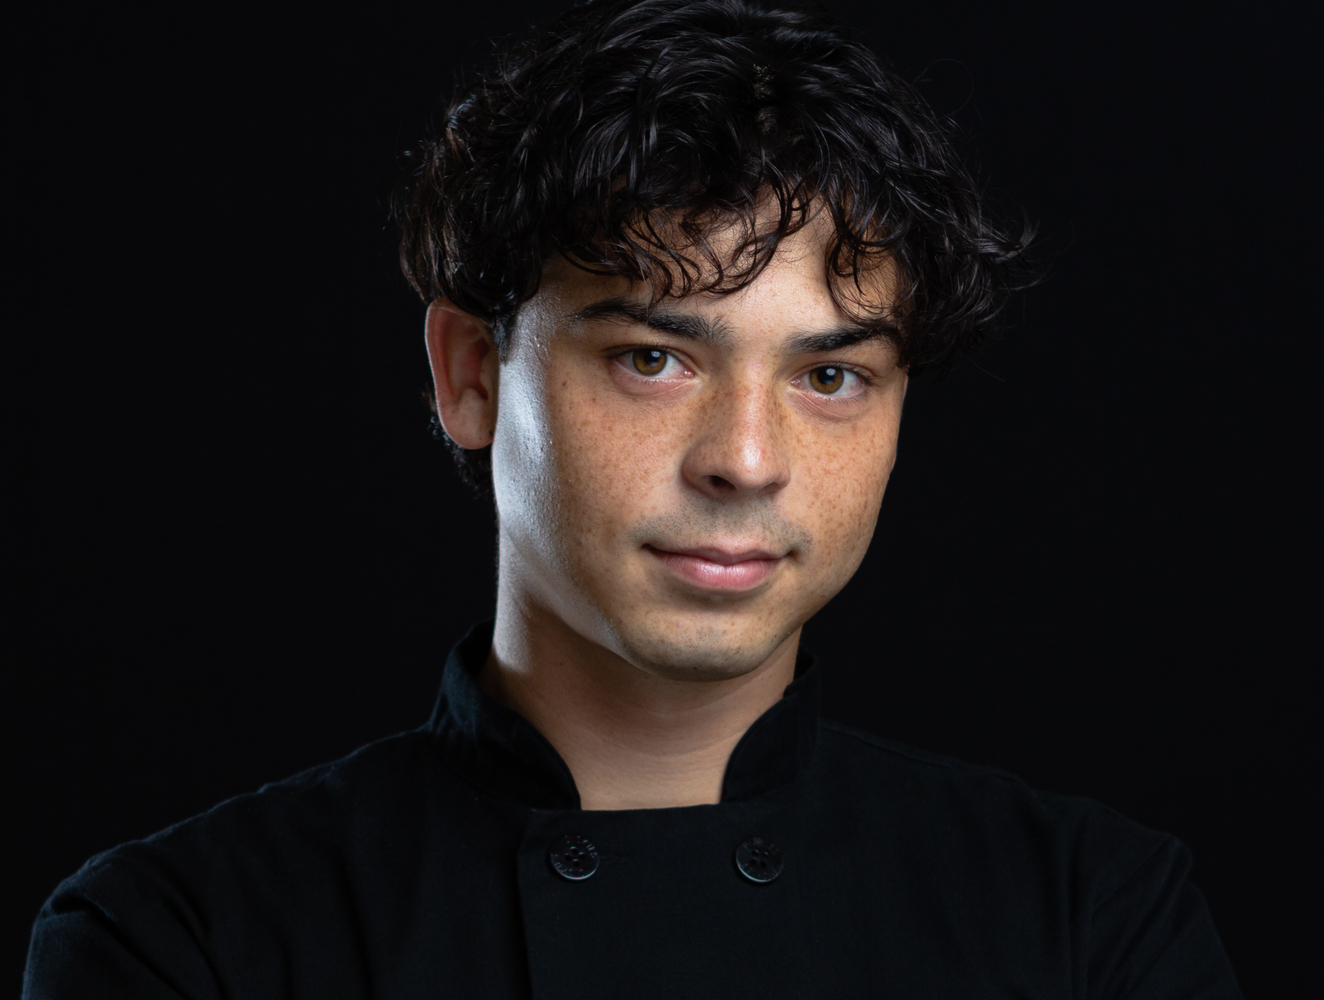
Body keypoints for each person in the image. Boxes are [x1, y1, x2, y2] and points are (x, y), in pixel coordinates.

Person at [24, 1, 1242, 996]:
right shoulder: (183, 941)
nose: (746, 459)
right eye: (654, 358)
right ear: (470, 373)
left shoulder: (1092, 922)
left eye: (829, 376)